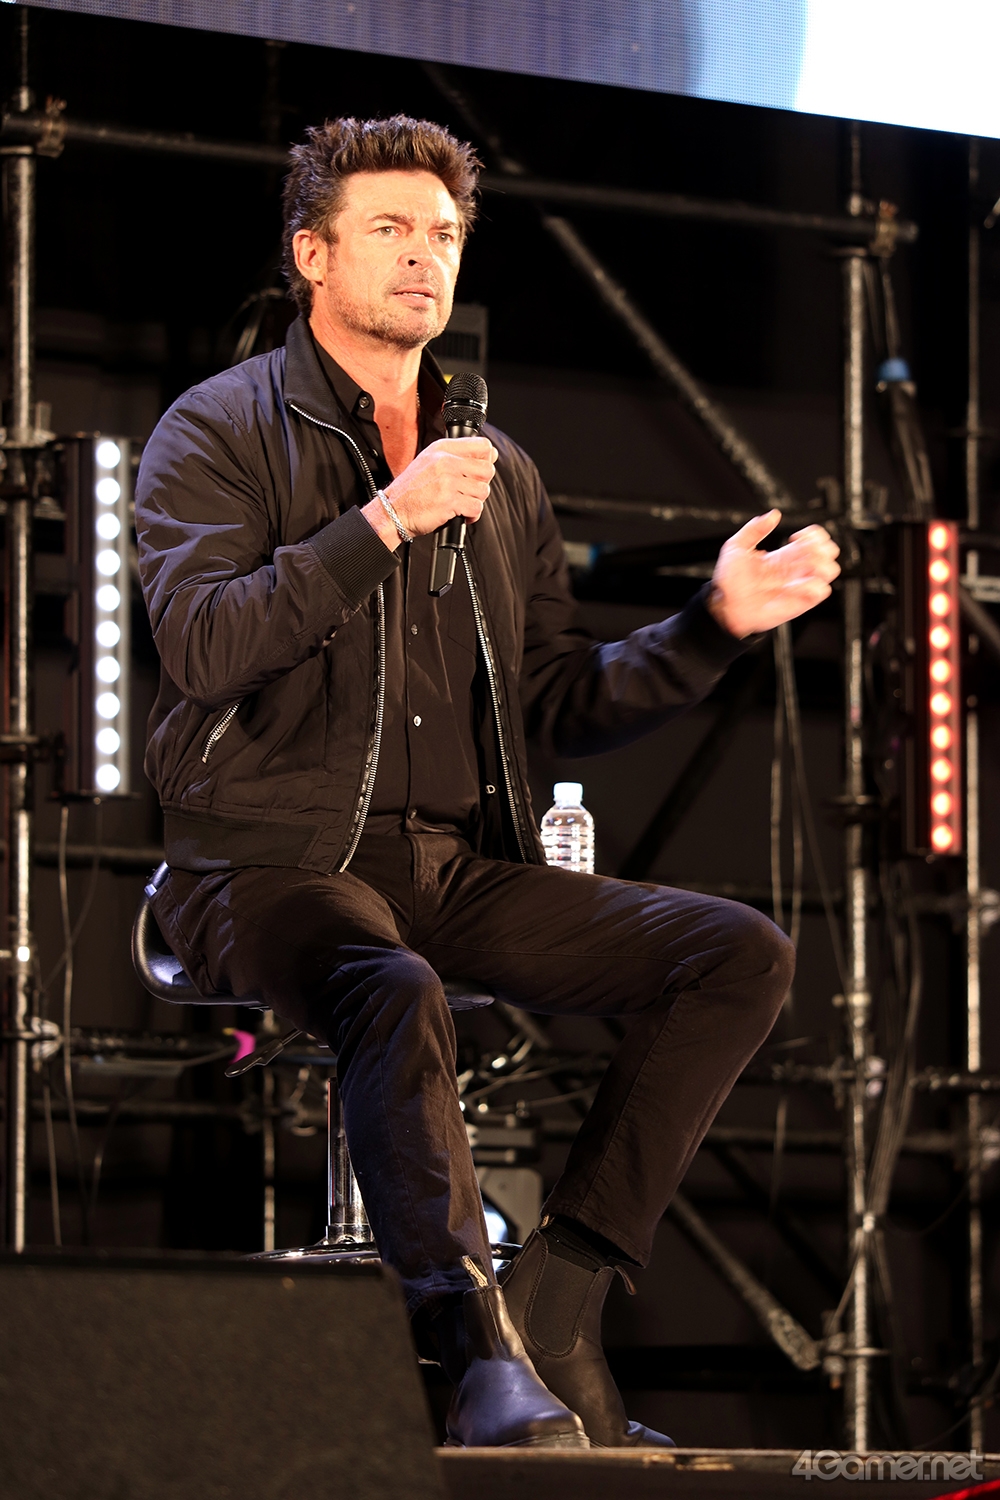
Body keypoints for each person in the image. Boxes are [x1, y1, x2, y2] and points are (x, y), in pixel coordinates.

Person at [135, 115, 840, 1450]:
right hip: (260, 866)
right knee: (391, 987)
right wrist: (381, 522)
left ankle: (557, 1306)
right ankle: (470, 1352)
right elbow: (206, 644)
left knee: (736, 954)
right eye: (390, 230)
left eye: (445, 235)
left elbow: (554, 699)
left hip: (444, 866)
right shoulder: (218, 428)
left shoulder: (495, 466)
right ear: (312, 254)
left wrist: (711, 627)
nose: (424, 258)